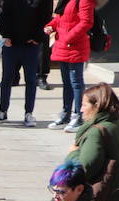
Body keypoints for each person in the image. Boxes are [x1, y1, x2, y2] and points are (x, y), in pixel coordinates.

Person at [68, 82, 119, 201]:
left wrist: (73, 153)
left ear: (97, 106)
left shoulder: (97, 132)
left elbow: (84, 168)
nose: (81, 109)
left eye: (84, 105)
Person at [0, 0, 51, 127]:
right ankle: (2, 111)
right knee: (7, 78)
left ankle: (28, 113)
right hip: (11, 44)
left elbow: (46, 17)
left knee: (30, 79)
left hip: (31, 45)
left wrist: (37, 38)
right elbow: (3, 14)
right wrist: (5, 35)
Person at [46, 0, 94, 132]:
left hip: (75, 47)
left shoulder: (84, 1)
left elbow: (86, 22)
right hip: (63, 46)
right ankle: (66, 114)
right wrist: (51, 26)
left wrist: (68, 37)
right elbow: (61, 19)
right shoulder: (66, 1)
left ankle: (79, 116)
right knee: (66, 83)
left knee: (76, 83)